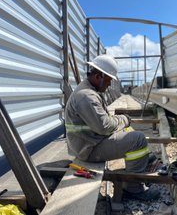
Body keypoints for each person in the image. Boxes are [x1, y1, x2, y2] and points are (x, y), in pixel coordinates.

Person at [64, 54, 160, 201]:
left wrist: (122, 125)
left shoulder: (89, 91)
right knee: (138, 140)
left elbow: (104, 123)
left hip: (89, 141)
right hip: (88, 149)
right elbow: (104, 127)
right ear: (98, 76)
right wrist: (124, 119)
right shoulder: (86, 96)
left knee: (129, 132)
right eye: (108, 80)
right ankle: (133, 189)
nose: (109, 84)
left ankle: (143, 164)